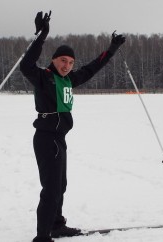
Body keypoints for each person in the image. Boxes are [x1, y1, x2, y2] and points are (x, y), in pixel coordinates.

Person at [20, 11, 126, 242]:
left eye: (70, 62)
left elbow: (93, 67)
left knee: (61, 185)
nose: (67, 66)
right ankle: (42, 236)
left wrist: (112, 49)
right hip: (46, 138)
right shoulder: (43, 77)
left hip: (59, 138)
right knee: (51, 189)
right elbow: (26, 64)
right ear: (54, 60)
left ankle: (56, 225)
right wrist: (42, 35)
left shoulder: (69, 80)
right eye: (63, 61)